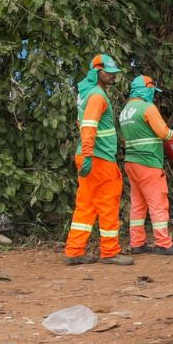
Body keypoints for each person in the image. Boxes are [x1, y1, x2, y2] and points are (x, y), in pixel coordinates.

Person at [66, 53, 133, 265]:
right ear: (97, 72)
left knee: (85, 204)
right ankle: (110, 251)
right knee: (108, 203)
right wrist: (88, 154)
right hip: (98, 158)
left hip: (90, 156)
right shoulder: (97, 95)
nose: (113, 76)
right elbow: (89, 127)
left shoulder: (88, 93)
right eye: (108, 72)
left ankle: (74, 251)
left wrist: (85, 155)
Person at [119, 74, 173, 255]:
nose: (153, 95)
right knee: (158, 203)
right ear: (146, 89)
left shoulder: (125, 111)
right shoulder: (147, 108)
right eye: (152, 91)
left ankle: (136, 243)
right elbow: (163, 132)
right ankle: (164, 243)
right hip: (148, 162)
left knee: (138, 205)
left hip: (132, 163)